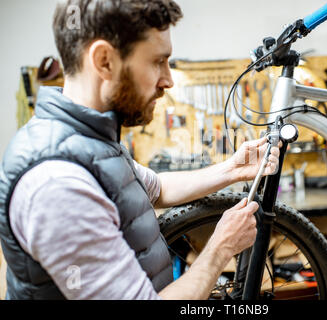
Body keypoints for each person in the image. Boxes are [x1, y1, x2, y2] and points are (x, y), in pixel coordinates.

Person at [0, 0, 280, 300]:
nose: (169, 80)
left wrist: (232, 169)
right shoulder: (58, 184)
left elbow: (156, 188)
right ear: (105, 61)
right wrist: (220, 248)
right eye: (158, 61)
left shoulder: (87, 139)